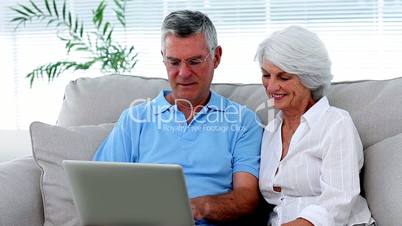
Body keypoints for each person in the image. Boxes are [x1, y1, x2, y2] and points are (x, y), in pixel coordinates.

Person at [93, 10, 263, 226]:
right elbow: (100, 189)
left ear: (216, 57)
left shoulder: (242, 121)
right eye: (174, 62)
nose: (183, 73)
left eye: (194, 61)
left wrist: (195, 207)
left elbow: (246, 198)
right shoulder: (135, 119)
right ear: (163, 58)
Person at [255, 26, 375, 226]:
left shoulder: (335, 124)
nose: (271, 87)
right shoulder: (271, 130)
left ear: (309, 78)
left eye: (283, 77)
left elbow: (338, 202)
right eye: (266, 75)